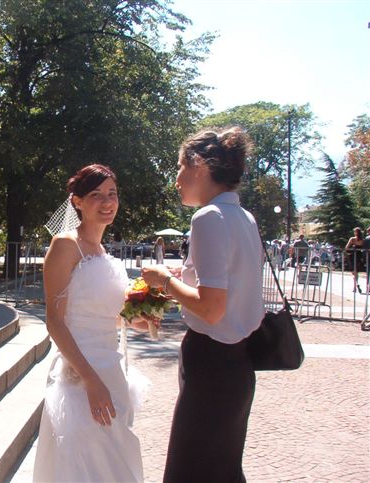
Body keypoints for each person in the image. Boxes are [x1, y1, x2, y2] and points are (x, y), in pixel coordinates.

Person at [142, 127, 264, 483]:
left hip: (210, 362)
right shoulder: (244, 217)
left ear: (199, 165)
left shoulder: (209, 217)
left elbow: (211, 308)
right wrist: (185, 278)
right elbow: (230, 286)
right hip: (238, 365)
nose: (177, 180)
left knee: (192, 470)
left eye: (180, 167)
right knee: (221, 469)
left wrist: (164, 281)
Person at [33, 164, 147, 482]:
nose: (107, 201)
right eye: (96, 195)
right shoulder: (65, 245)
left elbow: (111, 316)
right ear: (78, 202)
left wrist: (141, 319)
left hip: (112, 368)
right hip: (81, 374)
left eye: (112, 193)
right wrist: (91, 381)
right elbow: (55, 322)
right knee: (83, 464)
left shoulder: (104, 253)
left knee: (113, 463)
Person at [345, 227, 365, 293]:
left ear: (355, 232)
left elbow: (346, 247)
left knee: (353, 272)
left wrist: (350, 249)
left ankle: (355, 285)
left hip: (352, 256)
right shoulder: (362, 240)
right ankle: (356, 285)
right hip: (359, 256)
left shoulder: (352, 239)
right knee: (357, 272)